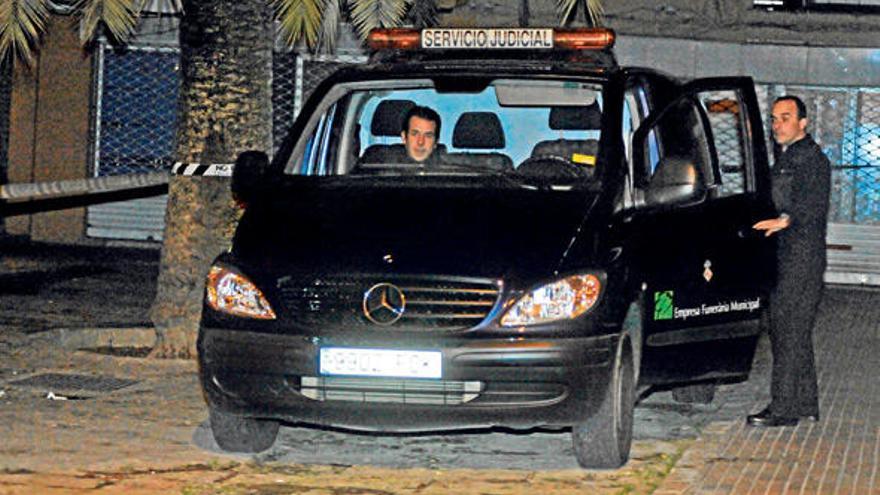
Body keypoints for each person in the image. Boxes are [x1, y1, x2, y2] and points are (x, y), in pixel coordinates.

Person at [748, 95, 830, 427]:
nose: (777, 125)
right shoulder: (787, 158)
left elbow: (811, 207)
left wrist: (785, 220)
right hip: (783, 257)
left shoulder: (811, 160)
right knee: (793, 331)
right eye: (774, 119)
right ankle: (806, 401)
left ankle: (783, 409)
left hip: (801, 260)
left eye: (785, 118)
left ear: (803, 122)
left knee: (787, 332)